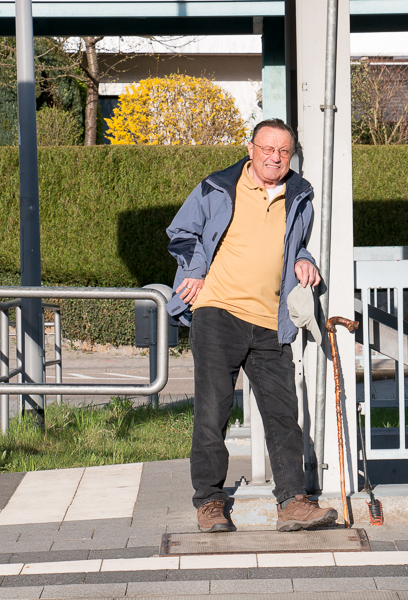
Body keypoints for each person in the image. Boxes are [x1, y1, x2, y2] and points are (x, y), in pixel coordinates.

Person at [165, 119, 338, 533]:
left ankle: (293, 503)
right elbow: (181, 232)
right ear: (250, 148)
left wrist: (305, 261)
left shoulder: (300, 197)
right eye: (267, 149)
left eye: (283, 151)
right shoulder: (216, 187)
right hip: (217, 311)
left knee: (283, 415)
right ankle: (209, 502)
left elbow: (296, 246)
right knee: (212, 411)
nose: (275, 158)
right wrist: (194, 269)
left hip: (269, 322)